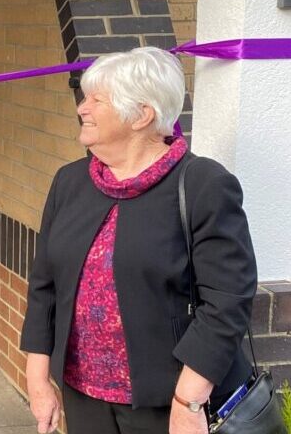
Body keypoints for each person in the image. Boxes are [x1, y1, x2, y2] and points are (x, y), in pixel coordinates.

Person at [20, 47, 257, 434]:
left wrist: (189, 401)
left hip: (169, 400)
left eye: (97, 99)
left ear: (141, 115)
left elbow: (227, 303)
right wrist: (38, 377)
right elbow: (44, 286)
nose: (82, 108)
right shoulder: (70, 182)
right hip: (84, 396)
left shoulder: (203, 185)